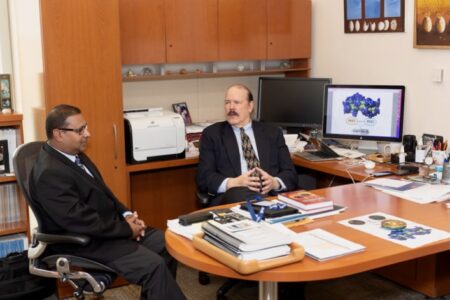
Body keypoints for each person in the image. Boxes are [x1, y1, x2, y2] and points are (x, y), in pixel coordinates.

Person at [29, 104, 185, 300]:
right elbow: (81, 221)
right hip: (84, 241)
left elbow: (105, 193)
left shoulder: (74, 155)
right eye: (80, 130)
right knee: (153, 266)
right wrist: (127, 229)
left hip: (105, 230)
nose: (88, 134)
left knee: (166, 243)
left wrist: (127, 214)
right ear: (59, 134)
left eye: (85, 127)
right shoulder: (50, 173)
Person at [197, 83, 298, 205]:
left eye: (237, 102)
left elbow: (290, 173)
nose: (231, 107)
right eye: (227, 102)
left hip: (271, 196)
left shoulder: (272, 132)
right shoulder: (212, 134)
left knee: (307, 191)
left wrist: (274, 182)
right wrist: (235, 183)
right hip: (232, 197)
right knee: (240, 194)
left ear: (250, 106)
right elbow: (204, 178)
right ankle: (262, 205)